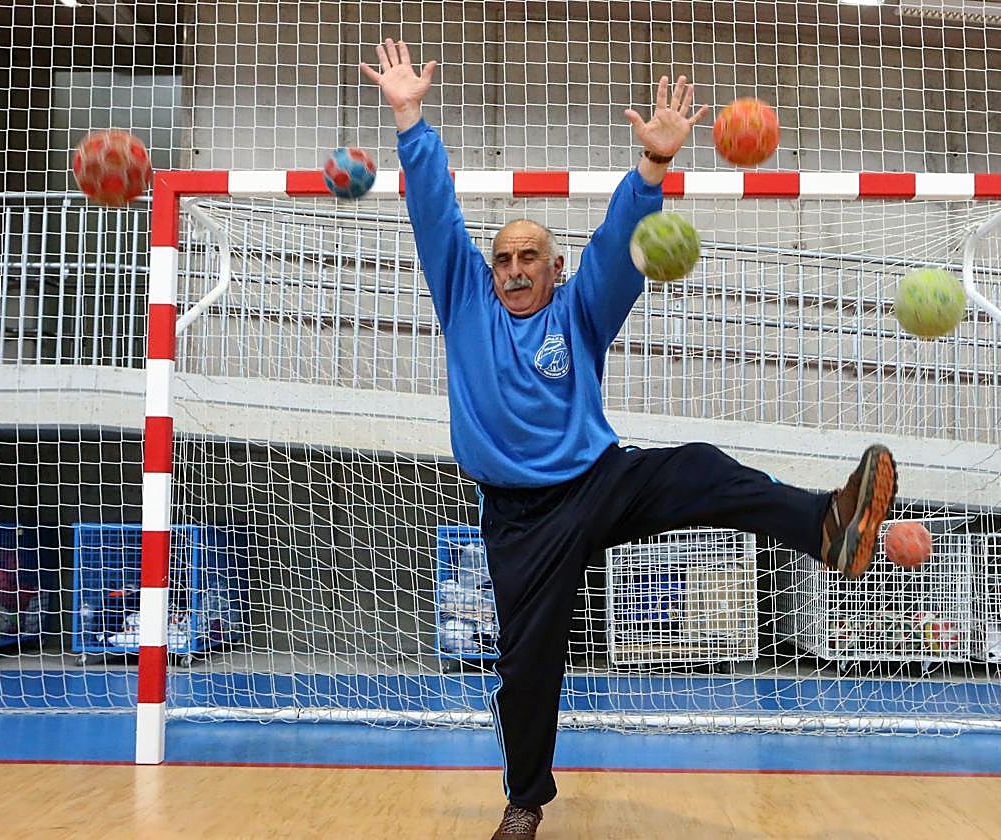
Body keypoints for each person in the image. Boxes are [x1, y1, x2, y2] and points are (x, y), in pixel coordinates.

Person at [361, 39, 898, 840]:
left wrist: (650, 170)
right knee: (526, 665)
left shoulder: (580, 311)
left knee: (700, 470)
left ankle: (825, 527)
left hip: (597, 482)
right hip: (519, 520)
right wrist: (409, 116)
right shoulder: (463, 297)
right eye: (503, 256)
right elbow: (433, 207)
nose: (512, 268)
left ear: (555, 266)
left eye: (529, 257)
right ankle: (525, 800)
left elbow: (618, 248)